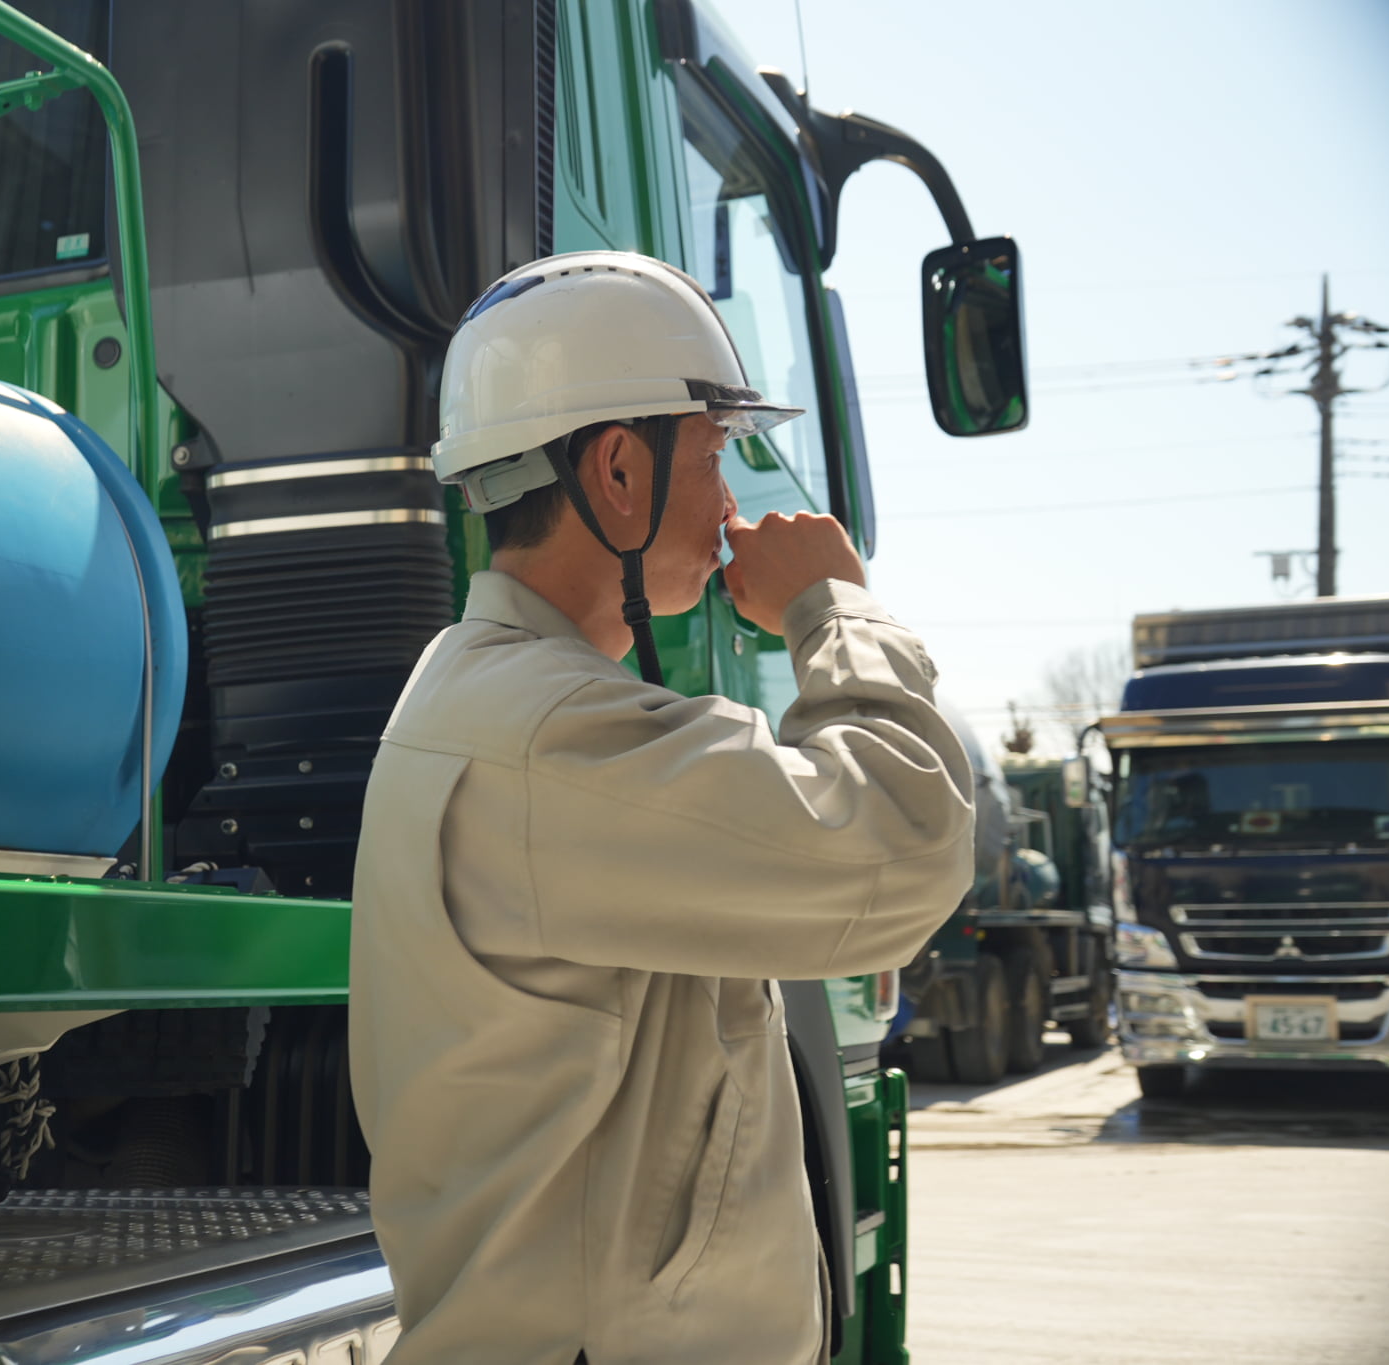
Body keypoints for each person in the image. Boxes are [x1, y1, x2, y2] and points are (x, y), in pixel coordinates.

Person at [348, 252, 975, 1365]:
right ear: (618, 471)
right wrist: (830, 608)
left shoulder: (508, 705)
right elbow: (904, 847)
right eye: (717, 451)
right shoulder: (550, 738)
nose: (733, 503)